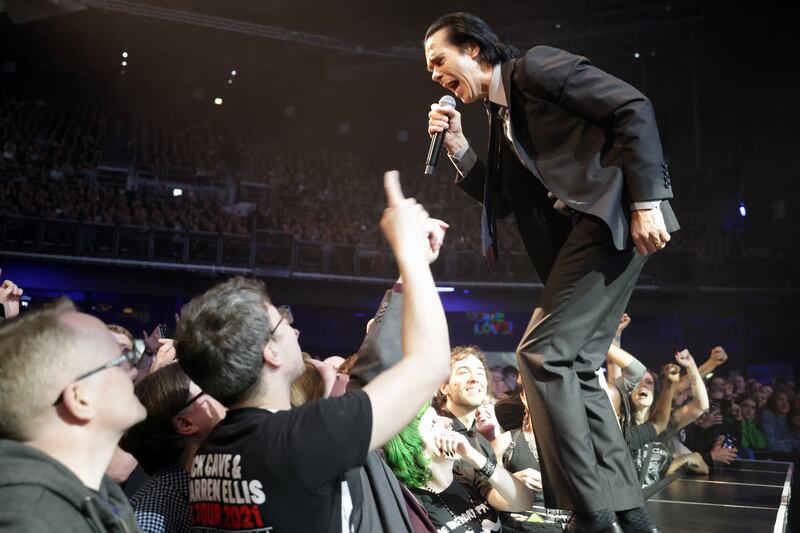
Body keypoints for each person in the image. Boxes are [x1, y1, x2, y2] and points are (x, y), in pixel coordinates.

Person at [424, 12, 679, 533]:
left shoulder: (534, 68)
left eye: (438, 60)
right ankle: (627, 514)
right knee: (578, 369)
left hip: (612, 219)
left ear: (473, 49)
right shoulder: (500, 116)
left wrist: (648, 200)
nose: (433, 75)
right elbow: (502, 202)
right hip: (584, 236)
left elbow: (632, 106)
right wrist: (456, 145)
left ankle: (591, 513)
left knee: (540, 353)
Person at [175, 171, 452, 533]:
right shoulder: (298, 440)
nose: (294, 330)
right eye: (282, 325)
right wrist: (410, 252)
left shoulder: (213, 453)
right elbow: (431, 365)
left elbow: (364, 381)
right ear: (270, 353)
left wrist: (405, 276)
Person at [0, 298, 145, 532]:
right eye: (120, 362)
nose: (135, 372)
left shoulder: (99, 497)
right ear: (79, 398)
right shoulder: (31, 519)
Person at [383, 404, 546, 533]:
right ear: (417, 451)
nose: (448, 421)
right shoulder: (412, 503)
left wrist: (473, 456)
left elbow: (523, 501)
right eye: (434, 423)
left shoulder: (467, 476)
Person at [120, 363, 226, 533]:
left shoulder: (216, 485)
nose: (228, 395)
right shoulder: (148, 519)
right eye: (212, 389)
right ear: (185, 423)